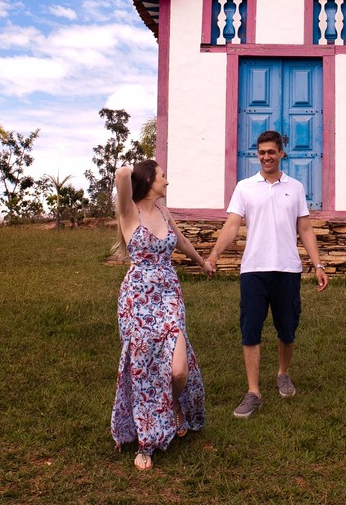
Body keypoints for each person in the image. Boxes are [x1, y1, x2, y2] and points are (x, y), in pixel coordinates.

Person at [205, 130, 329, 419]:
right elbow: (232, 225)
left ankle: (283, 373)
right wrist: (213, 255)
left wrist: (318, 265)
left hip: (287, 269)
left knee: (287, 328)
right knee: (250, 329)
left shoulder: (295, 188)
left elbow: (305, 228)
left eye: (271, 152)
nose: (266, 157)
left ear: (281, 153)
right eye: (261, 152)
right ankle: (253, 392)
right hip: (254, 270)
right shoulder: (245, 188)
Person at [110, 160, 209, 470]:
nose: (166, 181)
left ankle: (173, 405)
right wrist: (131, 168)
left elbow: (181, 241)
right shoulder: (129, 211)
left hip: (169, 295)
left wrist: (202, 262)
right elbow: (121, 175)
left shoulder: (164, 212)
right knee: (143, 370)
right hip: (137, 299)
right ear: (149, 180)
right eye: (162, 176)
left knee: (178, 370)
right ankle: (146, 443)